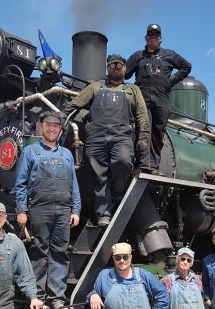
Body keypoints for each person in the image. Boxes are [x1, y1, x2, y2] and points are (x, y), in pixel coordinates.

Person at [61, 54, 149, 227]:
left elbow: (142, 115)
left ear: (124, 68)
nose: (115, 68)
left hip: (122, 136)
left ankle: (117, 193)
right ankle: (103, 214)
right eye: (112, 65)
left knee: (123, 162)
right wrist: (62, 115)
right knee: (99, 176)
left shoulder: (133, 90)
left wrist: (144, 135)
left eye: (119, 65)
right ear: (108, 68)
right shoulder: (95, 87)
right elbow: (76, 103)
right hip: (96, 137)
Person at [14, 110, 81, 309]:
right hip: (39, 209)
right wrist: (22, 210)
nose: (52, 129)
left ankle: (57, 300)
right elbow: (21, 184)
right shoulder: (30, 152)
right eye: (48, 125)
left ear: (60, 129)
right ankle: (38, 298)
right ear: (42, 127)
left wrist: (75, 209)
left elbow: (74, 185)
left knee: (60, 254)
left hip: (62, 210)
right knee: (39, 254)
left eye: (56, 126)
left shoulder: (67, 154)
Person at [126, 23, 192, 174]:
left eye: (156, 35)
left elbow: (186, 66)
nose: (153, 37)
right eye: (150, 35)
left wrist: (171, 82)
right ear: (146, 37)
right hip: (142, 97)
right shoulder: (138, 56)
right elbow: (125, 73)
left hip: (162, 97)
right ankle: (141, 164)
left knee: (158, 131)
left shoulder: (169, 54)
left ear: (160, 38)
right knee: (143, 130)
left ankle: (154, 166)